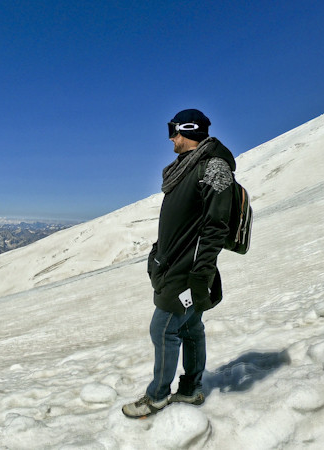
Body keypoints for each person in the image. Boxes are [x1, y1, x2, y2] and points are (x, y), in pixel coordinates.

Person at [122, 108, 237, 419]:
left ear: (188, 130)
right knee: (190, 328)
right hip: (175, 265)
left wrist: (201, 274)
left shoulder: (214, 167)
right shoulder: (187, 167)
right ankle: (190, 389)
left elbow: (216, 227)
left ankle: (158, 396)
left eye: (173, 130)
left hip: (188, 270)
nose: (170, 137)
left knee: (163, 329)